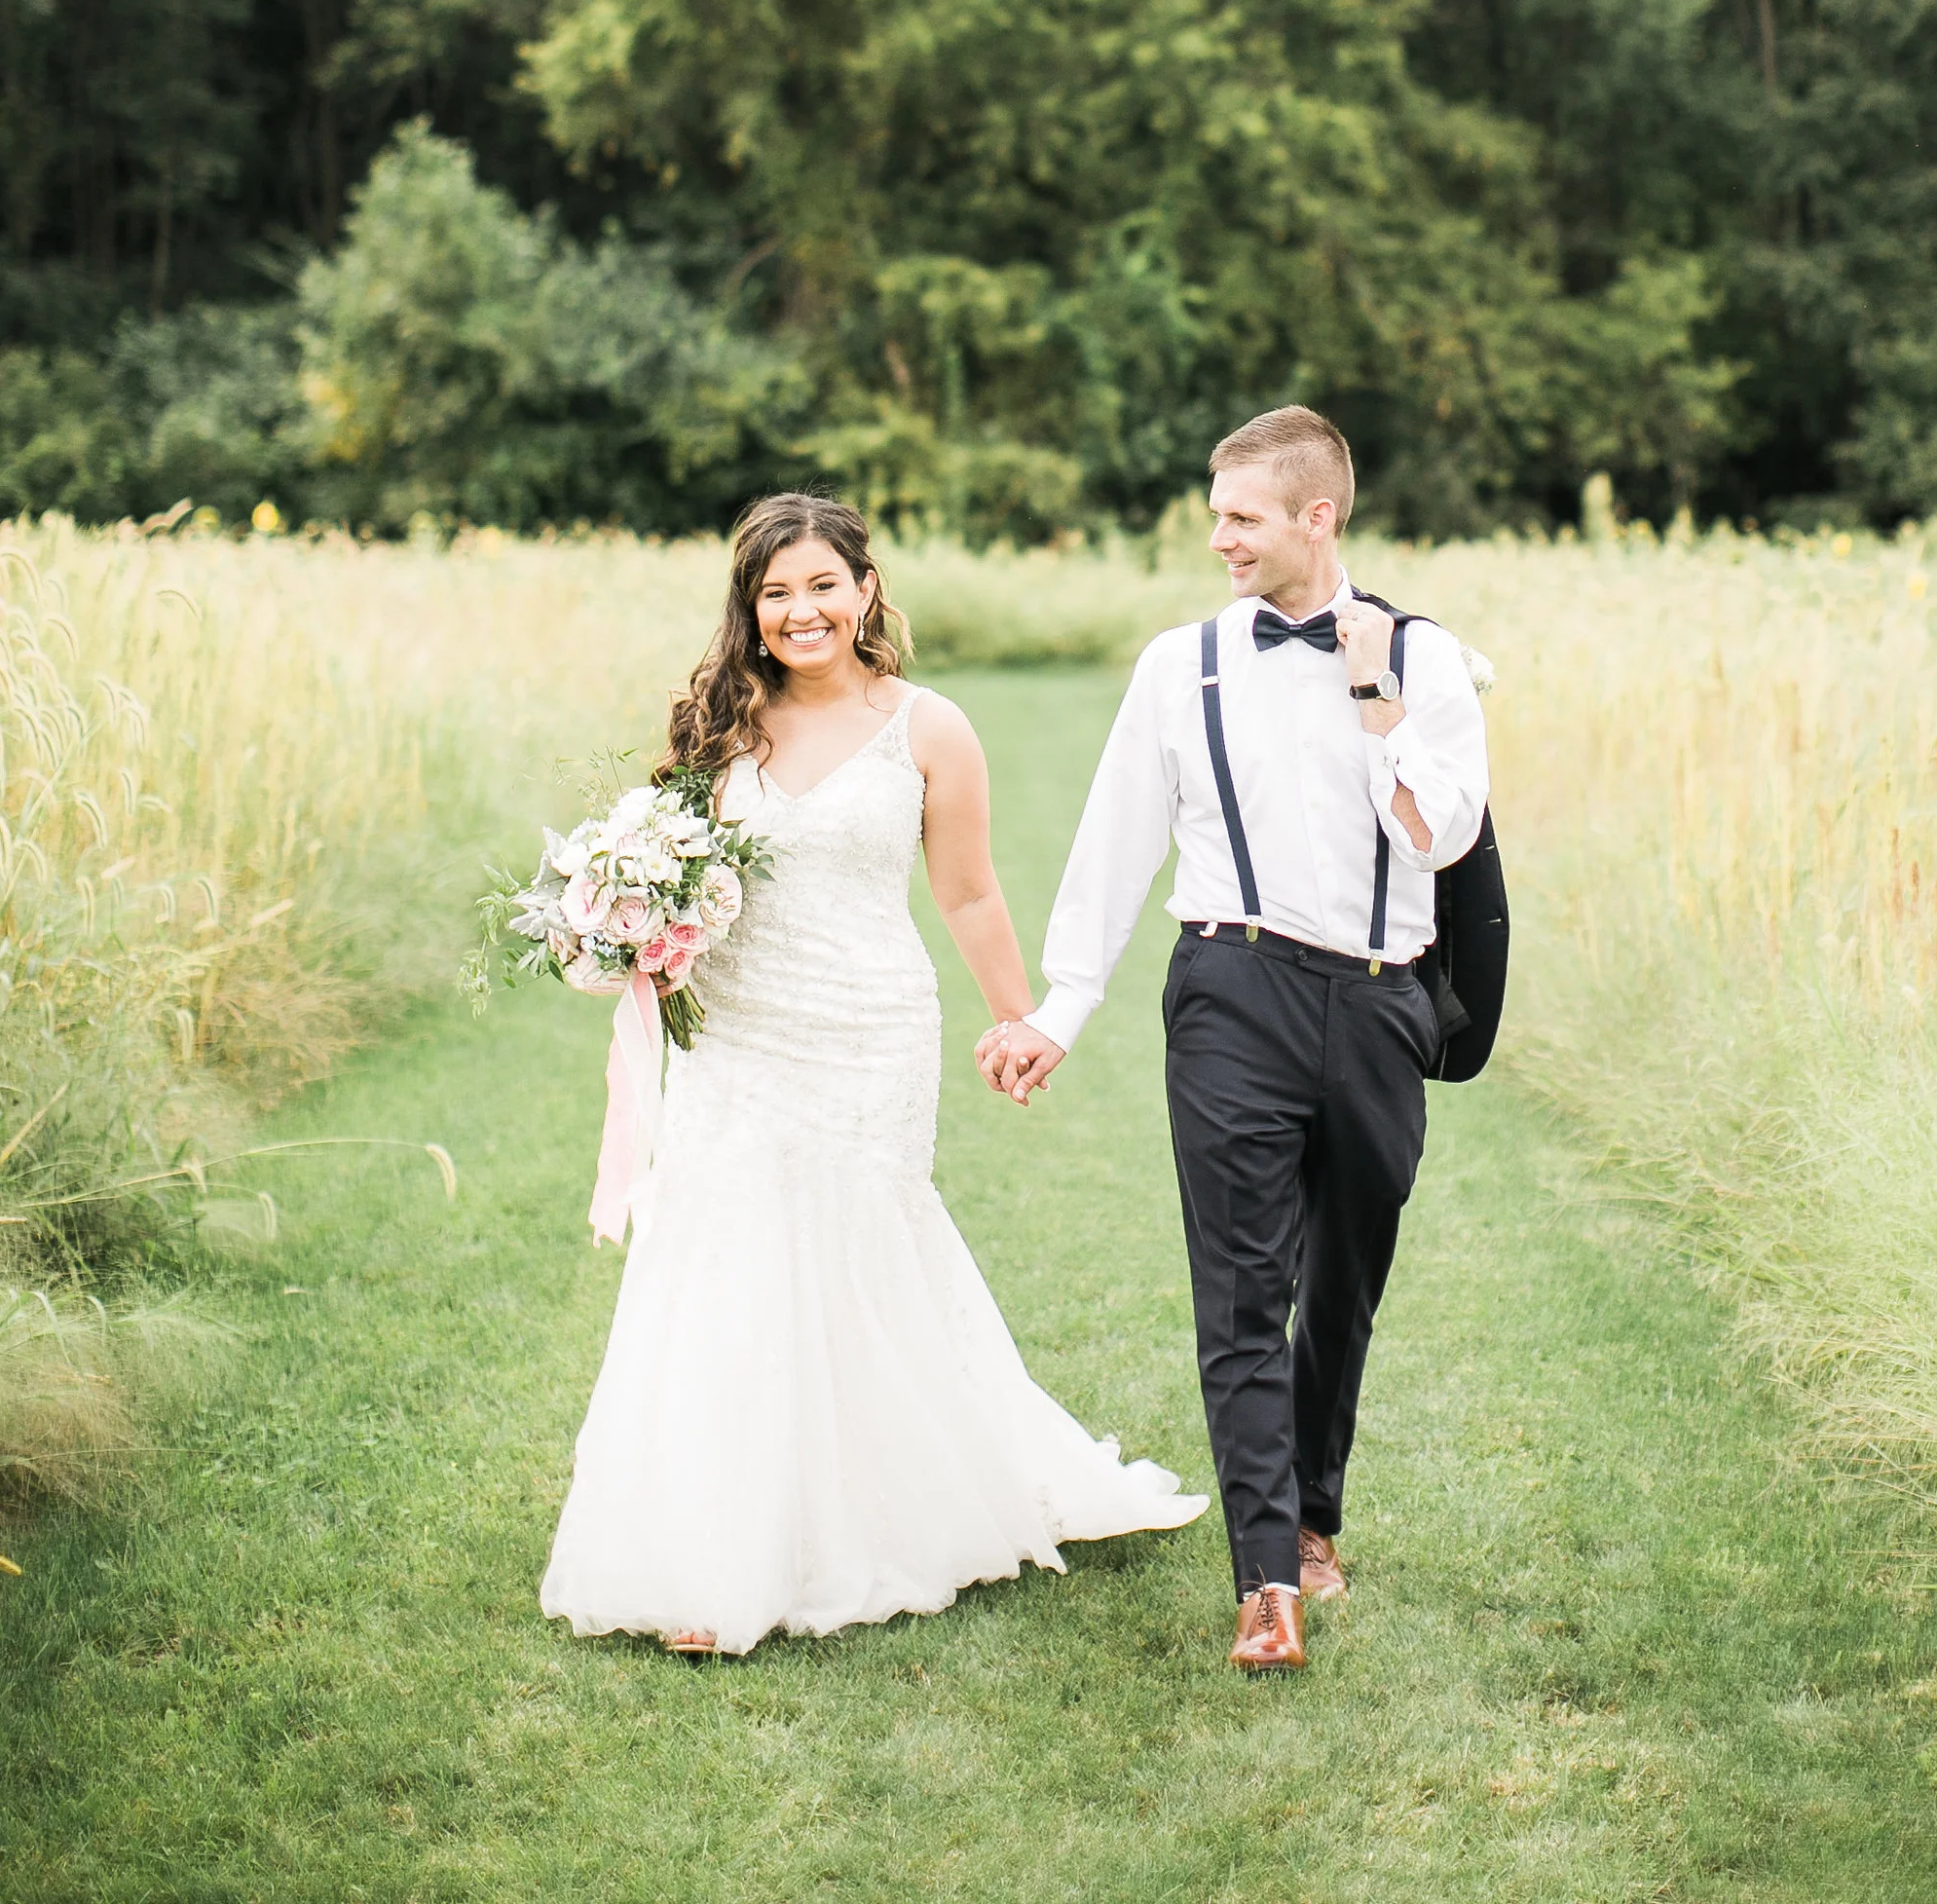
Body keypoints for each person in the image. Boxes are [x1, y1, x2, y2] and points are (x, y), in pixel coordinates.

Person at [540, 491, 1205, 1653]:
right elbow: (670, 872)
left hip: (867, 1028)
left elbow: (967, 890)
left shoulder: (929, 727)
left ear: (864, 589)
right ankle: (711, 1550)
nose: (801, 611)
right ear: (750, 609)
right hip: (737, 1032)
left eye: (821, 586)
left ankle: (880, 1514)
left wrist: (1018, 1021)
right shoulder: (716, 731)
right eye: (776, 591)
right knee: (725, 1250)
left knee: (855, 1247)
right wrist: (625, 921)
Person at [978, 408, 1488, 1674]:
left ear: (1318, 517)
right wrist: (1061, 1009)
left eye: (1242, 518)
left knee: (1344, 1290)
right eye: (1216, 516)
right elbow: (1115, 843)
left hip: (1379, 1002)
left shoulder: (1430, 663)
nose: (1220, 540)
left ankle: (1316, 1514)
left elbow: (1439, 839)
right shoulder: (1178, 666)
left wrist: (1373, 692)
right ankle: (1268, 1581)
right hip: (1229, 993)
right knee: (1243, 1292)